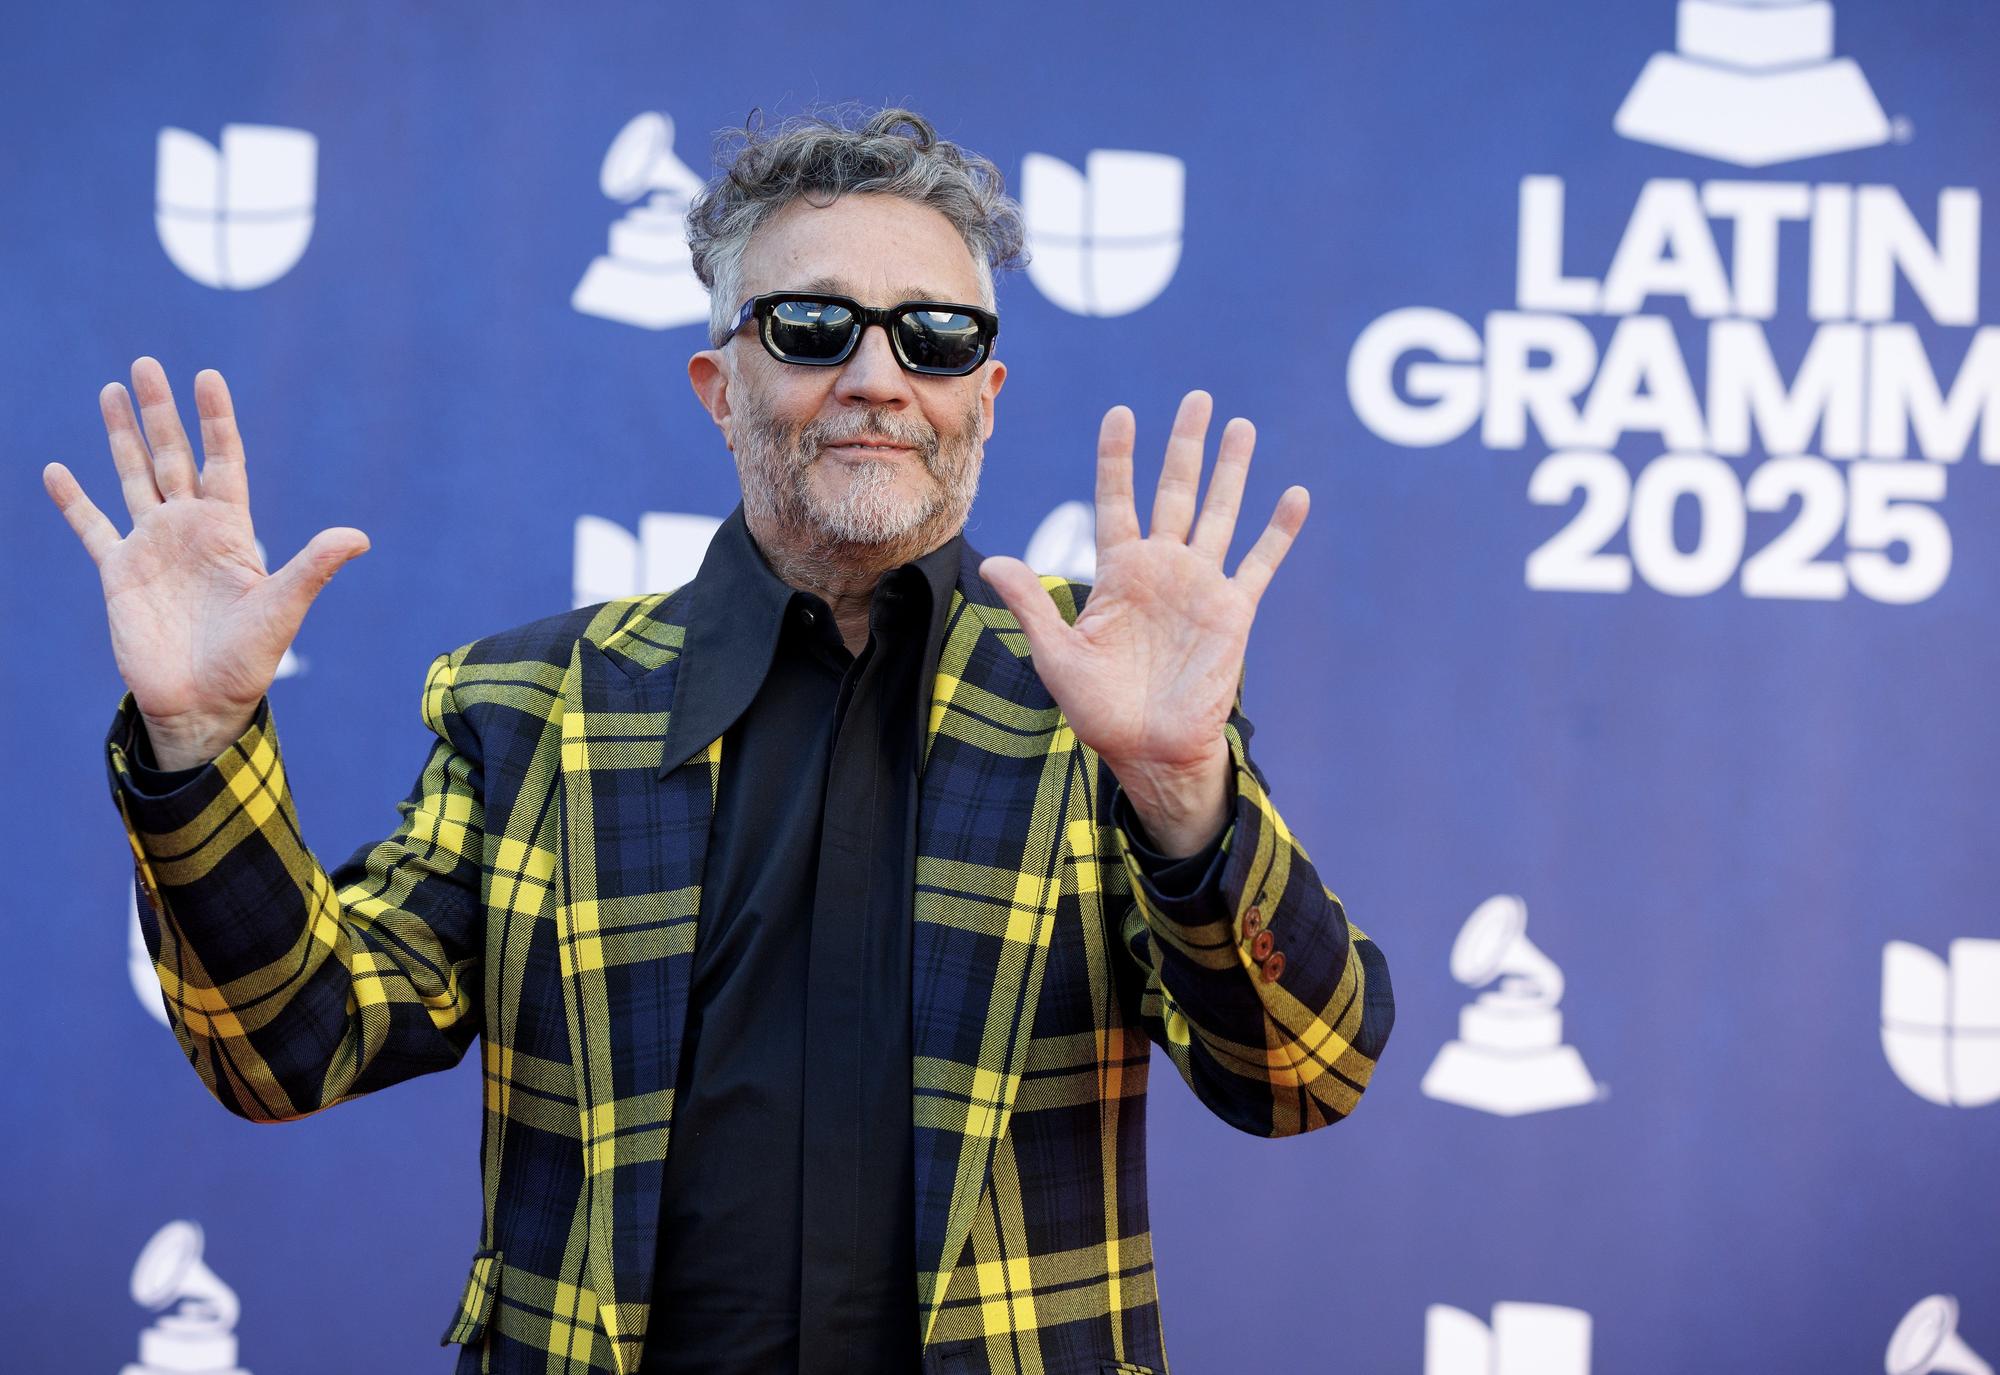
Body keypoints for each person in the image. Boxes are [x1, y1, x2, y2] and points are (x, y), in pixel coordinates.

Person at [44, 108, 1393, 1375]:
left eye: (931, 336)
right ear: (718, 382)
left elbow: (1304, 1073)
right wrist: (201, 740)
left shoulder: (1097, 696)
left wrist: (1180, 792)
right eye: (813, 326)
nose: (877, 377)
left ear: (983, 392)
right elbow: (290, 1046)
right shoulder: (532, 703)